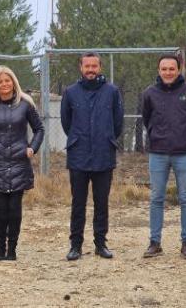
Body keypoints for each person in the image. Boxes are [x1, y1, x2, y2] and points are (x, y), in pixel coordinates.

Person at [0, 66, 44, 261]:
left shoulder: (25, 104)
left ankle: (12, 249)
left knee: (14, 208)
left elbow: (39, 129)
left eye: (8, 80)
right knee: (0, 208)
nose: (4, 84)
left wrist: (32, 147)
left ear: (13, 82)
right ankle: (0, 248)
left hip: (19, 162)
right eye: (0, 81)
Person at [61, 52, 124, 261]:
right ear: (81, 67)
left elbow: (117, 123)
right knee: (78, 203)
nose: (90, 70)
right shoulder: (70, 92)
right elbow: (66, 123)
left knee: (101, 202)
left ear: (100, 67)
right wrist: (79, 138)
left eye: (94, 66)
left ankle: (100, 244)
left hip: (103, 155)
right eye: (87, 66)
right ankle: (75, 246)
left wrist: (105, 138)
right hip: (78, 156)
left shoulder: (112, 92)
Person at [141, 54, 186, 260]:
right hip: (158, 153)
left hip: (183, 153)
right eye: (164, 69)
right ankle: (155, 243)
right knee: (156, 198)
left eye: (171, 69)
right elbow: (146, 118)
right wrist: (157, 136)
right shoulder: (149, 93)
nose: (168, 72)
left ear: (179, 69)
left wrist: (184, 136)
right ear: (158, 70)